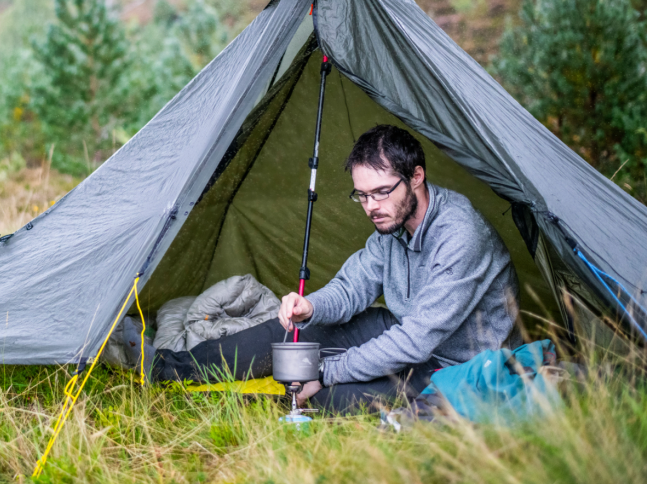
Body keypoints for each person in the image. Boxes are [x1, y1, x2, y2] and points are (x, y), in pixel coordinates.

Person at [122, 124, 522, 413]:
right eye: (361, 195)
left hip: (450, 364)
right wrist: (309, 306)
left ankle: (289, 396)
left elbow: (417, 341)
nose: (371, 207)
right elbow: (352, 288)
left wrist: (327, 372)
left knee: (327, 396)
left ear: (416, 176)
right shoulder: (392, 222)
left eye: (382, 192)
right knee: (290, 332)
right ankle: (165, 368)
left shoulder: (460, 235)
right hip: (398, 328)